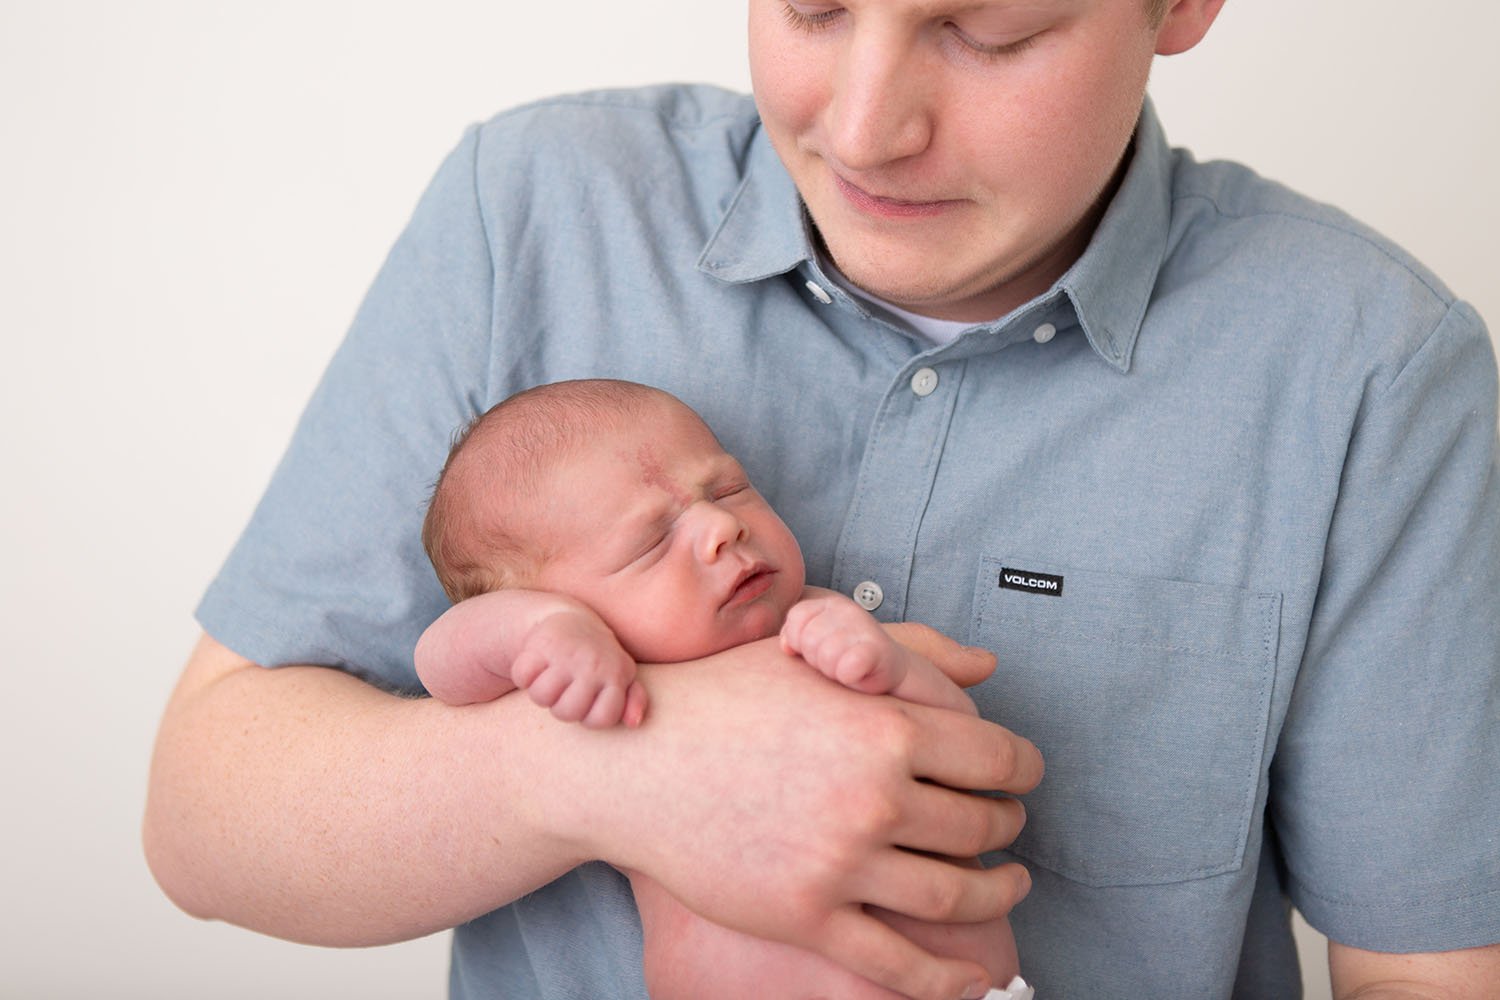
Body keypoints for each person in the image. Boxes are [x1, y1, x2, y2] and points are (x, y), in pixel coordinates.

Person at [143, 1, 1500, 997]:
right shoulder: (538, 213)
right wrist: (629, 770)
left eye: (993, 29)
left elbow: (1432, 970)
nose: (863, 129)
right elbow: (206, 823)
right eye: (813, 6)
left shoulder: (1370, 366)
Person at [413, 377, 1026, 999]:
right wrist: (542, 631)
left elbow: (951, 739)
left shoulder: (819, 622)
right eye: (651, 540)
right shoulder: (606, 687)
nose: (720, 527)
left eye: (729, 490)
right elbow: (442, 662)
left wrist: (892, 670)